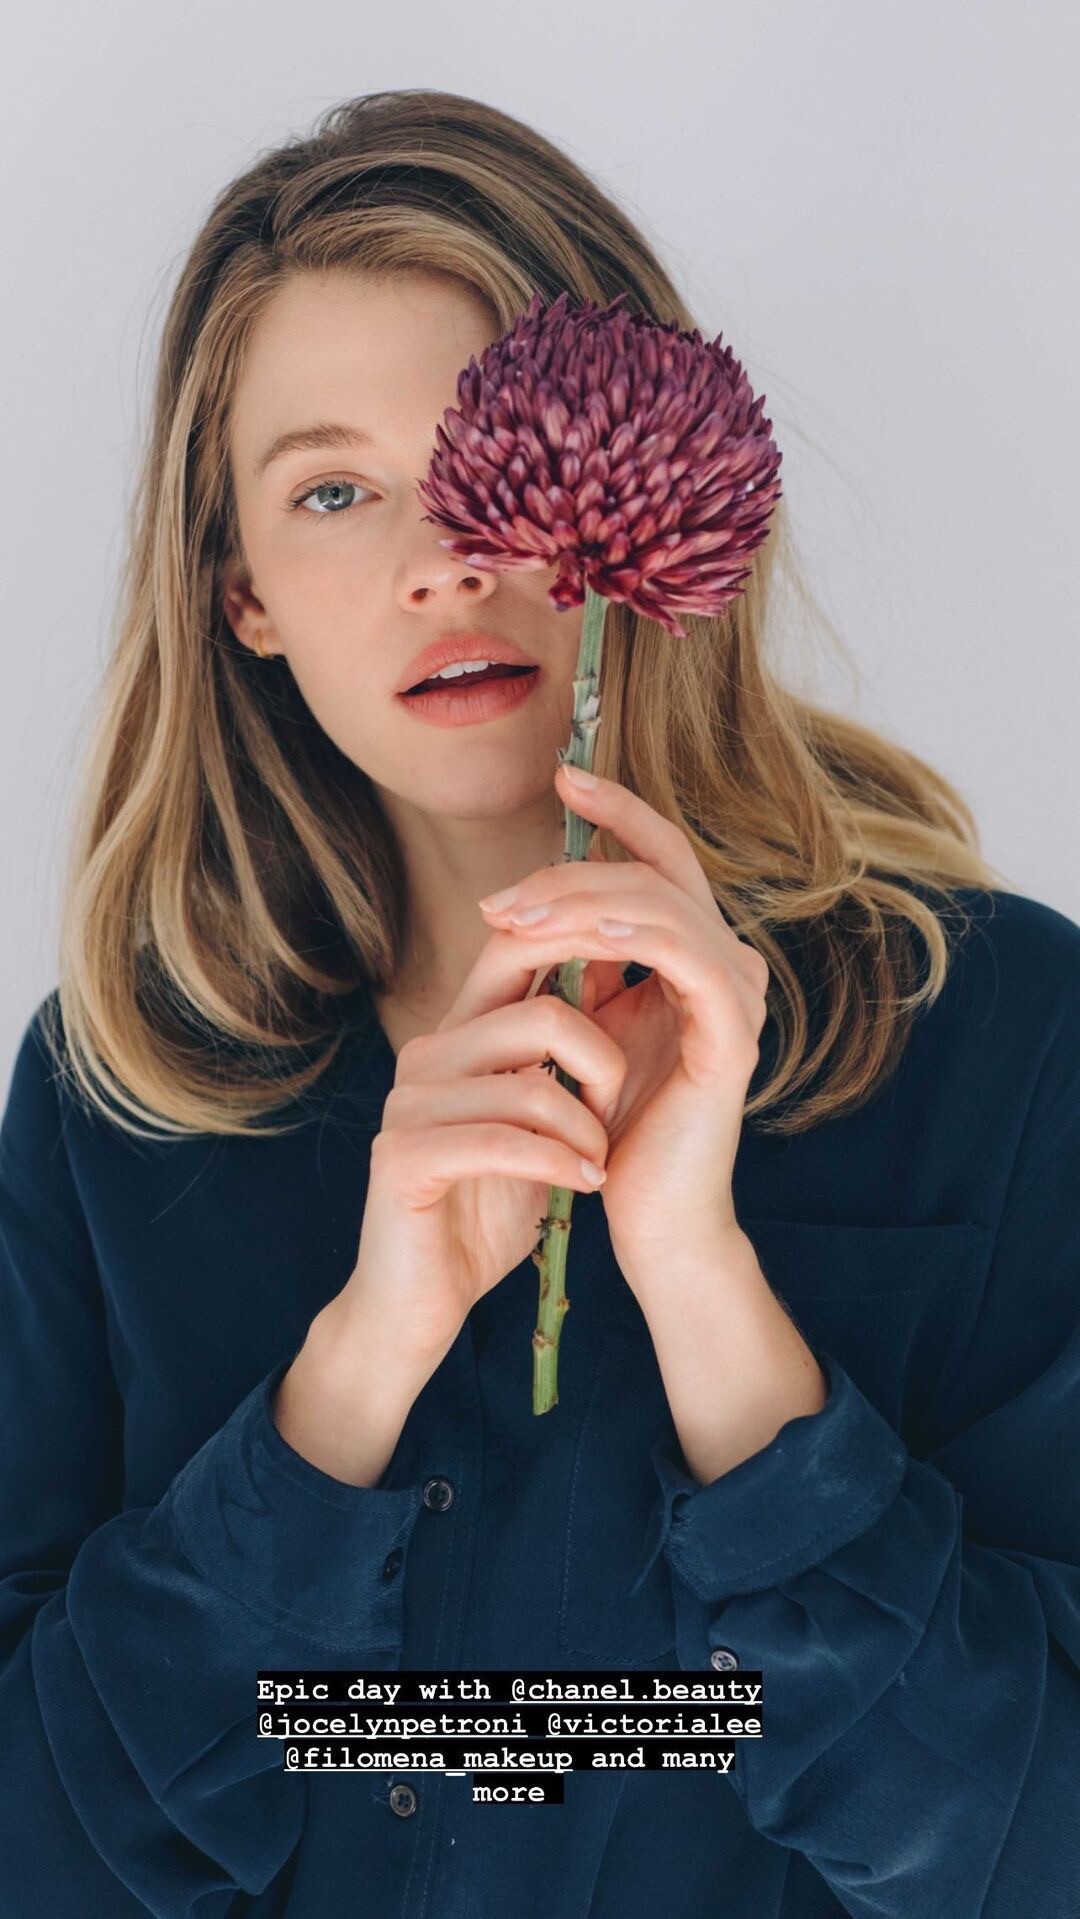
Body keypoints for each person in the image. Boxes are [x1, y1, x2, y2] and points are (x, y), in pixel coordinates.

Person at [1, 87, 1078, 1919]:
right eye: (332, 492)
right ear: (243, 595)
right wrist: (353, 1371)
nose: (443, 559)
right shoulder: (120, 1094)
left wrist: (708, 1293)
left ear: (657, 490)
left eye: (493, 461)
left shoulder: (1003, 1034)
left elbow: (1038, 1853)